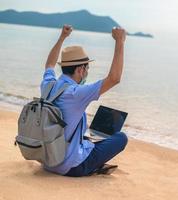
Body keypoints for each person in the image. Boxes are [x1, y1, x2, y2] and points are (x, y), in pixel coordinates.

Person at [40, 24, 128, 177]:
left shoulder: (48, 85)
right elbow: (114, 78)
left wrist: (62, 37)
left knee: (86, 137)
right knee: (121, 138)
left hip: (47, 160)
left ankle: (89, 153)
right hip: (70, 166)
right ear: (81, 69)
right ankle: (93, 167)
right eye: (87, 69)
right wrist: (119, 41)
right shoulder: (76, 92)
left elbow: (49, 64)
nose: (87, 73)